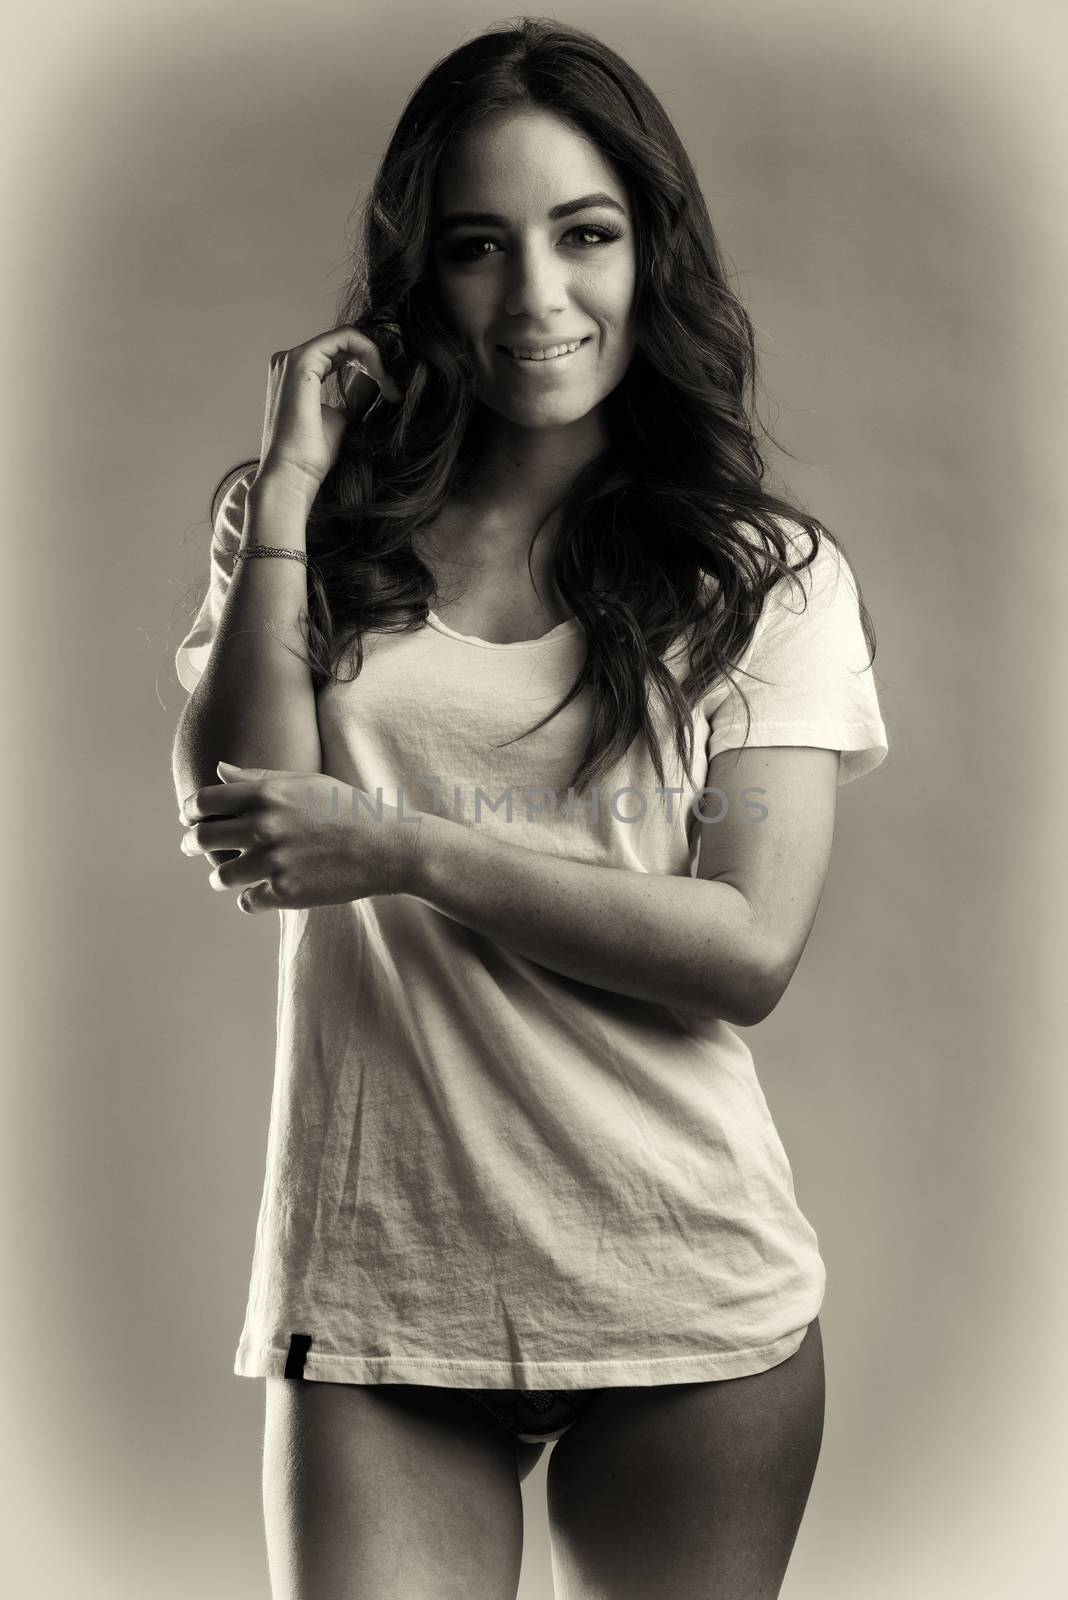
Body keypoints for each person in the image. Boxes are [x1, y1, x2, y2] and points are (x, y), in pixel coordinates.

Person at [172, 18, 888, 1600]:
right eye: (479, 247)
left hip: (685, 1289)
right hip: (379, 1286)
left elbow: (748, 949)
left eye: (586, 236)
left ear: (652, 251)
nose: (538, 299)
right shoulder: (312, 533)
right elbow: (243, 818)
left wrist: (410, 846)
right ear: (421, 274)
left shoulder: (763, 574)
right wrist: (290, 490)